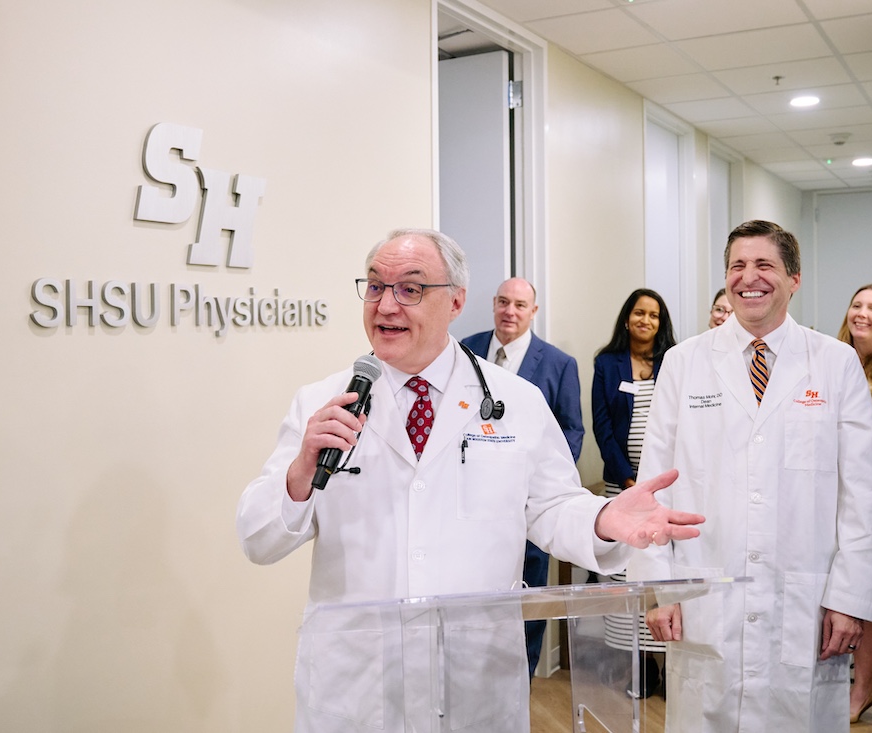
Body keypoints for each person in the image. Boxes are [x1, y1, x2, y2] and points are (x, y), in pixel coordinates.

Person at [237, 227, 704, 733]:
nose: (386, 305)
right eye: (374, 286)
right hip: (357, 685)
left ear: (456, 301)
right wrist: (300, 472)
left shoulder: (516, 400)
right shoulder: (322, 403)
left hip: (475, 682)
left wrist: (604, 520)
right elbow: (258, 538)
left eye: (410, 288)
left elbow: (553, 507)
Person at [628, 220, 872, 733]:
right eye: (738, 266)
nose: (750, 277)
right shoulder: (683, 363)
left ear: (794, 278)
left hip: (807, 604)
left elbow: (865, 495)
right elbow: (651, 488)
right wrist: (659, 587)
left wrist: (850, 598)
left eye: (765, 264)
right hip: (704, 599)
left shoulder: (834, 364)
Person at [461, 277, 585, 679]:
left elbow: (571, 432)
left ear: (533, 312)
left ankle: (524, 679)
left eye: (519, 305)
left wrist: (534, 485)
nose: (509, 312)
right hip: (470, 507)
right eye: (502, 302)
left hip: (527, 505)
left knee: (529, 600)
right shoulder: (464, 349)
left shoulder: (557, 364)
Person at [591, 288, 677, 696]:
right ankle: (640, 667)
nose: (646, 320)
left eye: (654, 315)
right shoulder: (606, 364)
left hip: (669, 488)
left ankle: (669, 662)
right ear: (627, 318)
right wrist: (629, 481)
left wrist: (658, 485)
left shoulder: (674, 361)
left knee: (664, 572)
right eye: (639, 313)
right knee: (627, 575)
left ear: (662, 324)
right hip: (623, 489)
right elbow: (603, 428)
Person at [837, 285, 872, 730]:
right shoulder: (831, 364)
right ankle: (862, 688)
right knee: (869, 604)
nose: (863, 313)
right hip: (843, 509)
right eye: (857, 304)